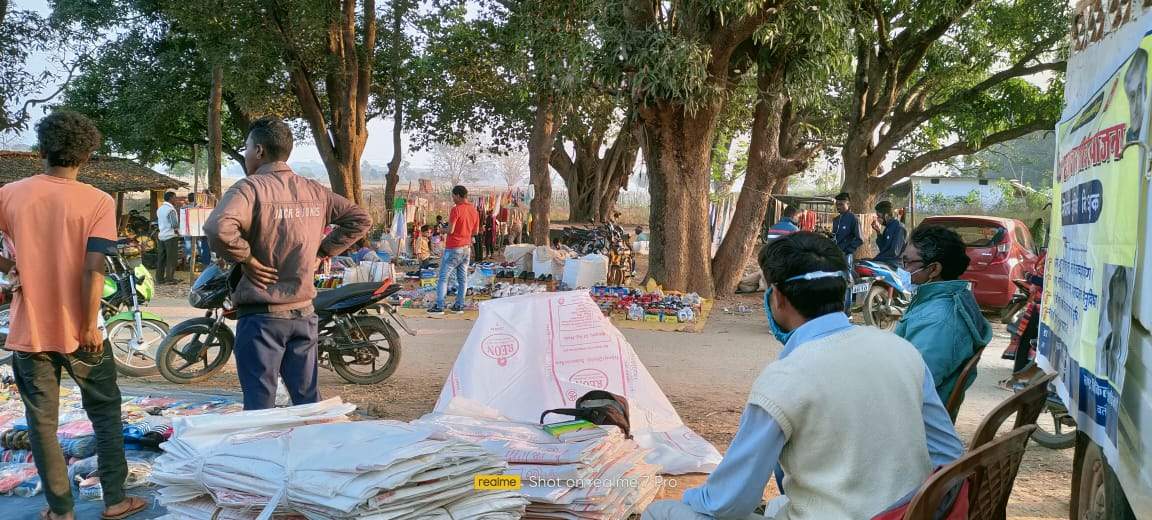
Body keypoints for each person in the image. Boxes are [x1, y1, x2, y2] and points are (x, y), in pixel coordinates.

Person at [643, 232, 962, 520]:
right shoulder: (900, 351)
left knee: (663, 512)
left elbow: (728, 503)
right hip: (905, 512)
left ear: (778, 298)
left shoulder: (784, 380)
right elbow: (948, 454)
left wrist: (689, 499)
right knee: (781, 504)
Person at [0, 110, 149, 520]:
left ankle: (60, 511)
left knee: (41, 424)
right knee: (105, 413)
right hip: (84, 330)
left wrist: (10, 267)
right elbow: (93, 267)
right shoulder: (98, 201)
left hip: (29, 329)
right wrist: (86, 325)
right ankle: (115, 500)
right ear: (87, 155)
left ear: (41, 150)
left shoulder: (9, 193)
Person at [204, 116, 371, 411]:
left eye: (245, 148)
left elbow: (218, 228)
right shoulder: (314, 190)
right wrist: (322, 252)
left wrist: (247, 258)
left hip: (262, 318)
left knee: (260, 406)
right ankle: (311, 453)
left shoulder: (250, 189)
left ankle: (265, 455)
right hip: (304, 314)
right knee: (307, 402)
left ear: (259, 151)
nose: (244, 154)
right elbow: (360, 219)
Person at [895, 225, 992, 411]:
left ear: (933, 269)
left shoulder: (940, 321)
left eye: (907, 263)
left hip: (913, 423)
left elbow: (911, 387)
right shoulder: (939, 300)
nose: (903, 269)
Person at [428, 185, 480, 316]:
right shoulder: (474, 210)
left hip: (454, 247)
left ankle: (439, 306)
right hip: (466, 248)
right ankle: (459, 305)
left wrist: (442, 230)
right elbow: (476, 231)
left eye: (453, 196)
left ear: (457, 195)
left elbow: (450, 230)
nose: (453, 199)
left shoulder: (456, 210)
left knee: (443, 277)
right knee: (462, 279)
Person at [156, 191, 180, 284]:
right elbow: (174, 224)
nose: (176, 200)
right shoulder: (170, 210)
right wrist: (178, 232)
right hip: (170, 236)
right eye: (175, 198)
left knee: (161, 258)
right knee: (171, 258)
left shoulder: (160, 209)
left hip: (162, 235)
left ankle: (159, 278)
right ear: (170, 199)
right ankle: (169, 278)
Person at [871, 200, 906, 266]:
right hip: (885, 263)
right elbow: (883, 249)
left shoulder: (899, 227)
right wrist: (878, 232)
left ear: (886, 215)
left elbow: (894, 252)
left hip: (894, 266)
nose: (878, 219)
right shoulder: (887, 228)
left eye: (879, 216)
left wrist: (875, 259)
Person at [831, 192, 862, 263]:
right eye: (837, 204)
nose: (838, 207)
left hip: (846, 256)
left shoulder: (853, 219)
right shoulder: (836, 220)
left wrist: (847, 251)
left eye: (841, 204)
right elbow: (834, 236)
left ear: (848, 204)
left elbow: (859, 239)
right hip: (835, 254)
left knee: (847, 273)